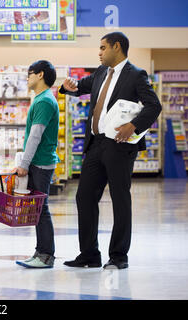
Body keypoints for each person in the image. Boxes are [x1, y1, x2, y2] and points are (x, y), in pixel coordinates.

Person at [60, 32, 162, 269]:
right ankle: (89, 254)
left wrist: (134, 125)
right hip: (96, 144)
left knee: (120, 199)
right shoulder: (100, 73)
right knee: (84, 196)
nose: (99, 52)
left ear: (117, 47)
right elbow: (80, 87)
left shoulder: (136, 75)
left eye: (103, 47)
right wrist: (68, 88)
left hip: (119, 146)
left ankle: (118, 256)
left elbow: (154, 105)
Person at [14, 60, 60, 269]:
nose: (27, 77)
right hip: (40, 161)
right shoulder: (43, 99)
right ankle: (40, 252)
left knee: (41, 210)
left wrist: (24, 163)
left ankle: (46, 255)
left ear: (40, 75)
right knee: (39, 210)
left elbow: (35, 136)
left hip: (40, 163)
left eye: (30, 73)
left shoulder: (43, 101)